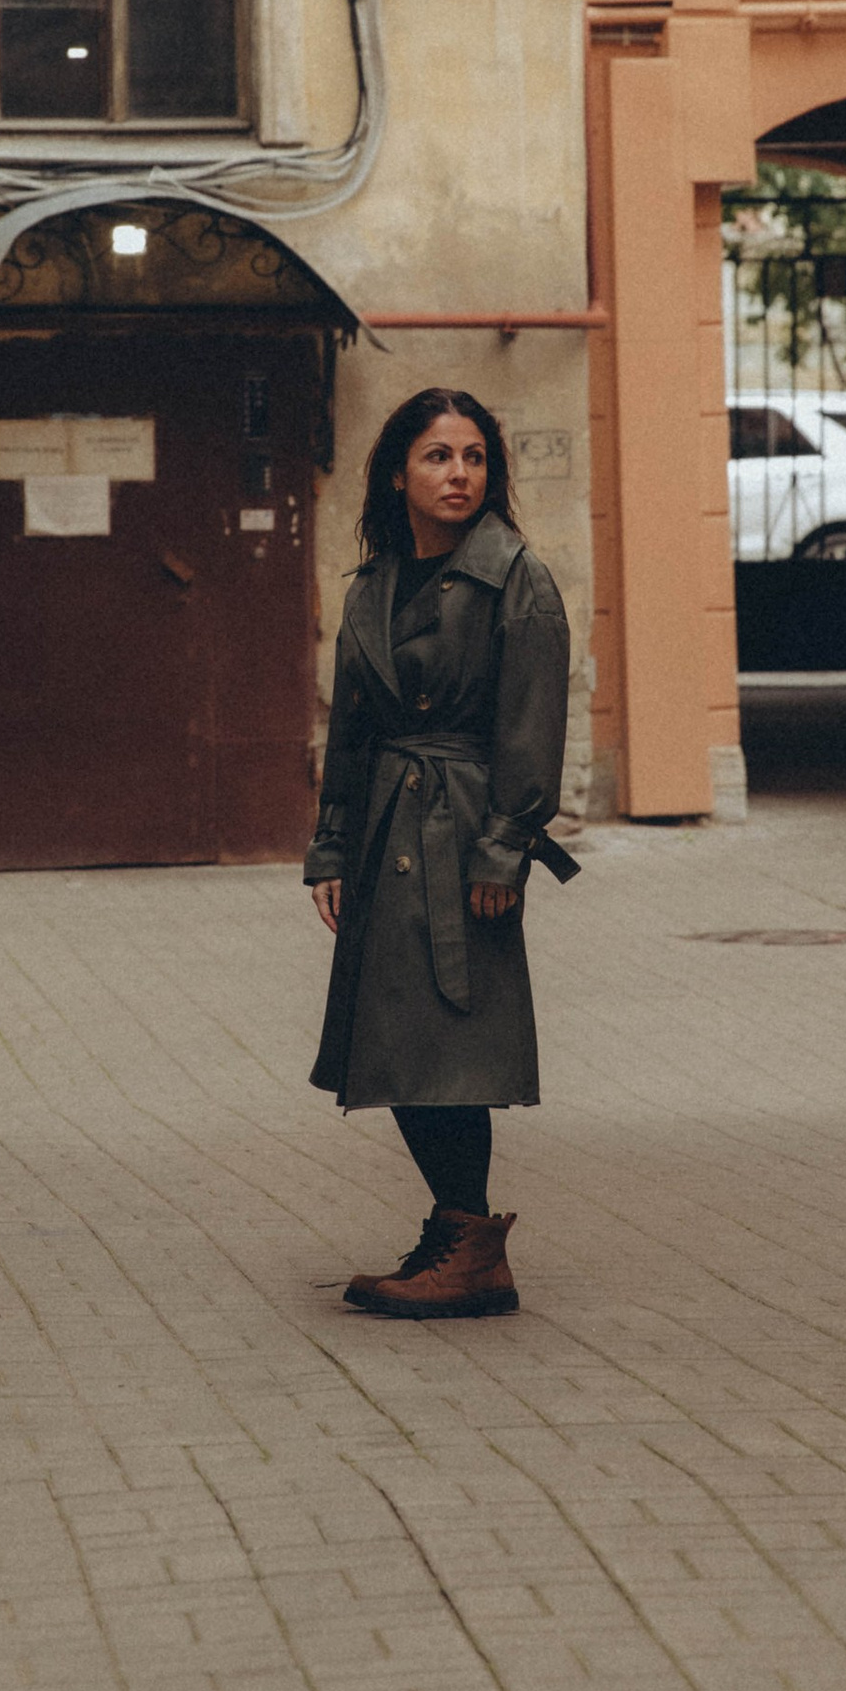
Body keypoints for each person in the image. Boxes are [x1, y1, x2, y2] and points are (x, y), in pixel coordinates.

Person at [305, 386, 578, 1316]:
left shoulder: (515, 578)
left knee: (449, 1041)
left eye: (473, 457)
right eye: (437, 456)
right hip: (385, 829)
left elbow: (533, 727)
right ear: (397, 473)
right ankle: (460, 1236)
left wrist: (504, 850)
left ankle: (470, 1247)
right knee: (397, 1041)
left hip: (462, 831)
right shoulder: (375, 585)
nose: (459, 473)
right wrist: (330, 846)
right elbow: (350, 729)